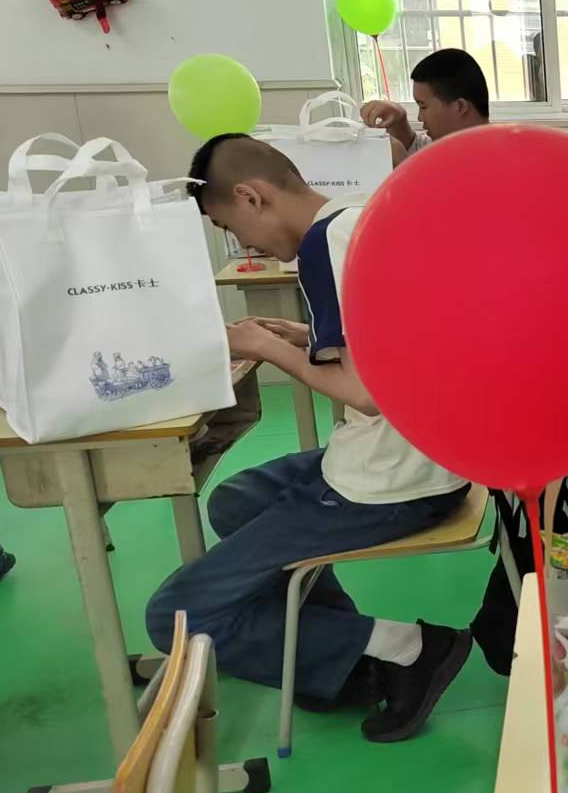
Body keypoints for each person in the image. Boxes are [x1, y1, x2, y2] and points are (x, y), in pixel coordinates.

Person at [149, 135, 474, 743]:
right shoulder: (360, 220)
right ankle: (348, 656)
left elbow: (366, 393)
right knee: (235, 502)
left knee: (172, 617)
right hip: (432, 458)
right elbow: (391, 340)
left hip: (391, 481)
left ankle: (407, 647)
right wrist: (304, 336)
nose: (245, 246)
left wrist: (264, 348)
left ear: (252, 196)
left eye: (231, 227)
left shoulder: (324, 246)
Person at [361, 47, 490, 166]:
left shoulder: (489, 159)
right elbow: (420, 148)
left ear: (460, 107)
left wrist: (402, 165)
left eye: (423, 107)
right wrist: (399, 118)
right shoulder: (449, 144)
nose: (420, 118)